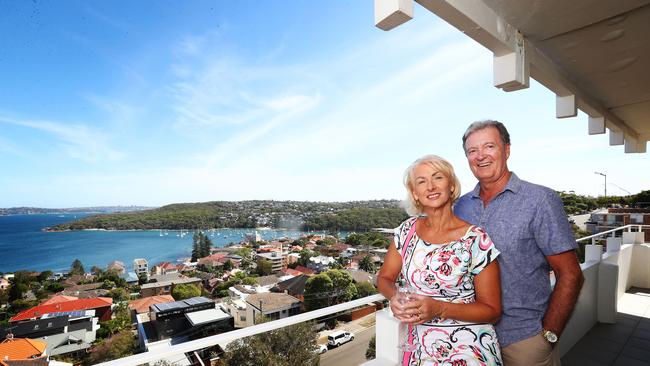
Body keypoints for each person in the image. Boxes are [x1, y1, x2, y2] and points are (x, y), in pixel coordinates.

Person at [454, 120, 584, 366]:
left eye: (489, 146)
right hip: (470, 340)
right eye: (472, 151)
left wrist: (548, 336)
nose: (480, 156)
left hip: (522, 341)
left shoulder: (540, 200)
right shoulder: (460, 206)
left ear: (507, 149)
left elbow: (570, 274)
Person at [377, 155, 503, 365]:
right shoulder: (406, 231)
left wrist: (439, 308)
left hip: (468, 350)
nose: (431, 186)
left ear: (451, 186)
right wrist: (395, 296)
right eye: (421, 181)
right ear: (415, 194)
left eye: (438, 177)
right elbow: (384, 278)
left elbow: (492, 312)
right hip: (418, 349)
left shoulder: (476, 240)